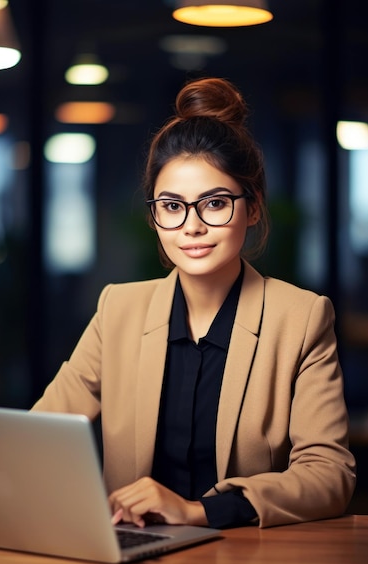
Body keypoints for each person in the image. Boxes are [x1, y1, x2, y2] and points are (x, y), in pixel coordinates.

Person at [32, 77, 356, 529]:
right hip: (131, 554)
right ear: (155, 216)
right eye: (172, 206)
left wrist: (197, 511)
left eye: (215, 203)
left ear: (254, 207)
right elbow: (37, 439)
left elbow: (329, 475)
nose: (192, 227)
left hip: (247, 563)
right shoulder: (118, 310)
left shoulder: (300, 317)